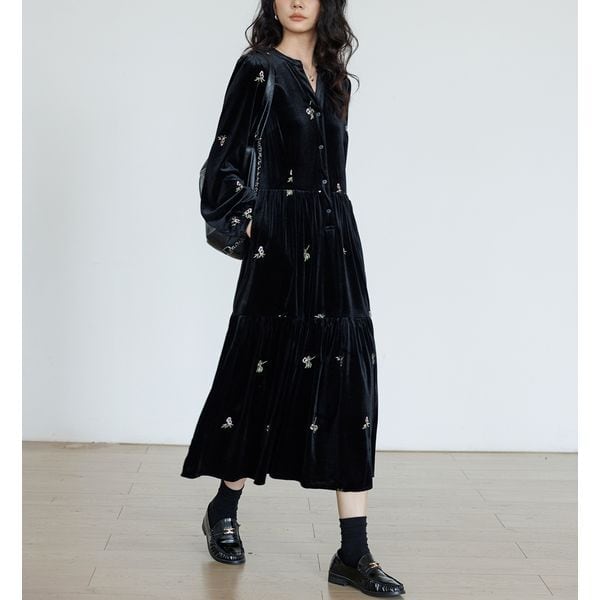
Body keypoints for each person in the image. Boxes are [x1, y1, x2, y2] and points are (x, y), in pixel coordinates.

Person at [181, 0, 405, 595]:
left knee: (349, 382)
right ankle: (224, 506)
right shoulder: (257, 68)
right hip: (279, 242)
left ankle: (352, 552)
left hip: (335, 239)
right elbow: (225, 160)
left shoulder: (335, 79)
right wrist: (253, 222)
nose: (298, 1)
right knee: (260, 372)